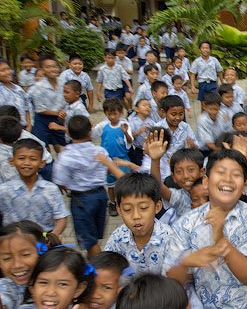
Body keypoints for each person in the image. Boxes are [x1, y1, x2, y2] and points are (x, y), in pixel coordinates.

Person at [165, 150, 247, 309]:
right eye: (221, 172)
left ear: (244, 187)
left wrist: (221, 238)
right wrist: (186, 263)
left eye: (236, 174)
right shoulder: (186, 224)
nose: (228, 179)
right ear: (205, 181)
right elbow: (172, 279)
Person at [52, 116, 125, 256]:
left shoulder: (66, 155)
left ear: (68, 133)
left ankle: (100, 266)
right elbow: (109, 169)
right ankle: (94, 263)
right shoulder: (100, 151)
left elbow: (60, 180)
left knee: (89, 241)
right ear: (90, 132)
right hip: (100, 196)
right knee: (95, 237)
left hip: (81, 200)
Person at [0, 138, 69, 236]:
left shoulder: (51, 189)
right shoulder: (5, 189)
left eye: (33, 159)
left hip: (43, 242)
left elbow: (61, 218)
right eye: (21, 158)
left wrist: (53, 236)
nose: (27, 163)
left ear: (42, 163)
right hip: (15, 242)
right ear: (12, 161)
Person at [104, 173, 175, 275]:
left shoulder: (170, 239)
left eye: (143, 208)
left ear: (157, 207)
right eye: (127, 209)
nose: (136, 216)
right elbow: (109, 270)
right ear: (119, 210)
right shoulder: (117, 237)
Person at [144, 133, 204, 223]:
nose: (186, 176)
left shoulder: (213, 191)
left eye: (191, 170)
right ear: (174, 177)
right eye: (179, 172)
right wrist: (155, 160)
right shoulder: (180, 197)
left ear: (202, 172)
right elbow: (158, 187)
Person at [91, 98, 137, 214]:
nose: (112, 116)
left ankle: (125, 202)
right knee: (110, 185)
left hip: (123, 160)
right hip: (108, 161)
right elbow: (92, 135)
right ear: (105, 113)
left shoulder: (125, 125)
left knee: (124, 183)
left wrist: (126, 132)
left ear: (120, 112)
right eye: (109, 113)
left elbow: (130, 141)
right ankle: (112, 203)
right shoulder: (103, 125)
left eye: (115, 113)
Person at [28, 55, 67, 151]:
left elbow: (67, 100)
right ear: (42, 70)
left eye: (54, 66)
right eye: (47, 67)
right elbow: (40, 109)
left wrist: (64, 113)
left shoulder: (63, 82)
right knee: (42, 146)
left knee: (66, 142)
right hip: (43, 119)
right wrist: (58, 113)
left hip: (60, 118)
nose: (52, 69)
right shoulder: (38, 87)